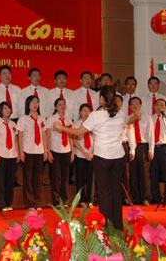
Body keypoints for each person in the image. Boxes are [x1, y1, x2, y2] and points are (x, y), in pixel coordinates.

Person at [54, 86, 126, 230]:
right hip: (118, 157)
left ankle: (106, 228)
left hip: (103, 157)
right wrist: (136, 115)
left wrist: (61, 128)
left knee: (104, 193)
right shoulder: (121, 114)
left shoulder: (97, 115)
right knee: (116, 192)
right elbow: (129, 121)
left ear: (101, 99)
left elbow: (79, 132)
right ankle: (118, 227)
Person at [17, 95, 47, 210]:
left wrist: (46, 150)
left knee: (38, 178)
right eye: (32, 102)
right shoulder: (23, 119)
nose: (35, 104)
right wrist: (21, 152)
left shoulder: (42, 118)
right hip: (28, 151)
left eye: (37, 102)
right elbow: (20, 136)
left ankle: (37, 202)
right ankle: (30, 203)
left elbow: (44, 135)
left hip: (39, 151)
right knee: (28, 178)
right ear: (28, 104)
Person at [46, 98, 74, 207]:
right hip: (55, 150)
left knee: (65, 177)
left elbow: (71, 136)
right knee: (55, 177)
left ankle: (65, 200)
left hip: (66, 150)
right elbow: (47, 136)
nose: (62, 106)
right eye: (59, 104)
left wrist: (72, 152)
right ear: (55, 107)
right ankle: (56, 201)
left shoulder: (68, 120)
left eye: (63, 104)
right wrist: (48, 151)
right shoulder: (51, 119)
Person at [0, 102, 19, 212]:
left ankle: (8, 203)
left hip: (12, 155)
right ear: (0, 110)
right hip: (2, 155)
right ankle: (1, 204)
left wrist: (17, 153)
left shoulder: (13, 124)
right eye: (5, 108)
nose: (7, 110)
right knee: (1, 181)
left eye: (9, 108)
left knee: (10, 181)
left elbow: (15, 140)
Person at [128, 96, 154, 206]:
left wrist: (151, 149)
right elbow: (129, 135)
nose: (135, 106)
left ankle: (146, 197)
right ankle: (135, 197)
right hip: (132, 147)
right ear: (129, 106)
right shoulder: (128, 119)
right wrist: (132, 150)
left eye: (137, 103)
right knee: (133, 173)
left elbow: (151, 134)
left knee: (144, 173)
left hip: (144, 146)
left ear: (141, 105)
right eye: (132, 104)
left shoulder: (147, 118)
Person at [150, 99, 166, 205]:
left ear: (165, 107)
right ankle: (156, 198)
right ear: (154, 106)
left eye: (162, 105)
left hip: (164, 148)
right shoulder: (150, 119)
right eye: (157, 105)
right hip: (152, 148)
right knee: (153, 174)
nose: (159, 107)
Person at [72, 104, 94, 208]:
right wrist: (84, 152)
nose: (86, 113)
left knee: (91, 178)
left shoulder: (93, 125)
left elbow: (97, 139)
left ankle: (90, 200)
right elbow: (74, 140)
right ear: (80, 112)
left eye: (88, 111)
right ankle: (81, 200)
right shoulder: (76, 125)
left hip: (91, 155)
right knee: (80, 178)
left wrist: (92, 153)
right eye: (84, 111)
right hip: (80, 154)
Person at [115, 95, 135, 206]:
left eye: (119, 101)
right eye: (115, 101)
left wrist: (132, 149)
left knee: (124, 173)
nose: (117, 103)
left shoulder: (125, 117)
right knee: (113, 172)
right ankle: (115, 196)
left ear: (122, 103)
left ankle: (125, 197)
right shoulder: (109, 116)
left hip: (123, 145)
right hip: (112, 146)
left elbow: (131, 134)